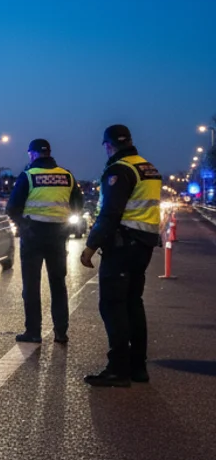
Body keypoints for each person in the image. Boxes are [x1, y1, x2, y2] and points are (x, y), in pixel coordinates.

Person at [80, 125, 161, 387]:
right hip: (143, 246)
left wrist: (91, 246)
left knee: (113, 305)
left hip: (123, 247)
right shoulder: (148, 168)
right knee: (133, 304)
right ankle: (138, 368)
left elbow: (110, 214)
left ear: (108, 145)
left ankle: (118, 369)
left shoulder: (119, 170)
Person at [7, 139, 84, 344]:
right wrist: (66, 224)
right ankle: (61, 332)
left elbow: (12, 207)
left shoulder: (29, 176)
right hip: (58, 235)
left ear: (32, 154)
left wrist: (24, 226)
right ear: (49, 153)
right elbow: (78, 205)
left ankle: (33, 331)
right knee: (58, 284)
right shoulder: (67, 176)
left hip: (33, 236)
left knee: (31, 286)